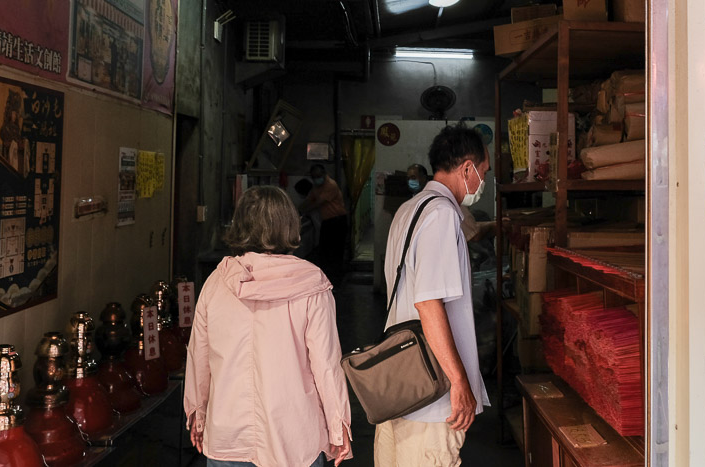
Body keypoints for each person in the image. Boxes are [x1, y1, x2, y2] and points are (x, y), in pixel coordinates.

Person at [184, 185, 352, 467]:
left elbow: (198, 358)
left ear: (240, 224)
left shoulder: (217, 282)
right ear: (289, 224)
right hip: (294, 439)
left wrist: (198, 415)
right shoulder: (311, 284)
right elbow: (326, 365)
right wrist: (339, 427)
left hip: (227, 436)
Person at [375, 125, 491, 466]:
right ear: (467, 168)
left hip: (400, 381)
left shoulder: (409, 210)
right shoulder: (440, 214)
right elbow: (427, 302)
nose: (482, 182)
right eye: (483, 172)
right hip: (431, 393)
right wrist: (459, 382)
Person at [300, 164, 349, 285]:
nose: (316, 178)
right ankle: (328, 278)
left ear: (324, 174)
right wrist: (296, 209)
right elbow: (309, 199)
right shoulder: (317, 187)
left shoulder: (330, 185)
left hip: (337, 221)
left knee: (335, 251)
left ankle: (336, 281)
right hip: (328, 222)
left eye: (318, 176)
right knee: (325, 251)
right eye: (314, 177)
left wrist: (304, 210)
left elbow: (318, 203)